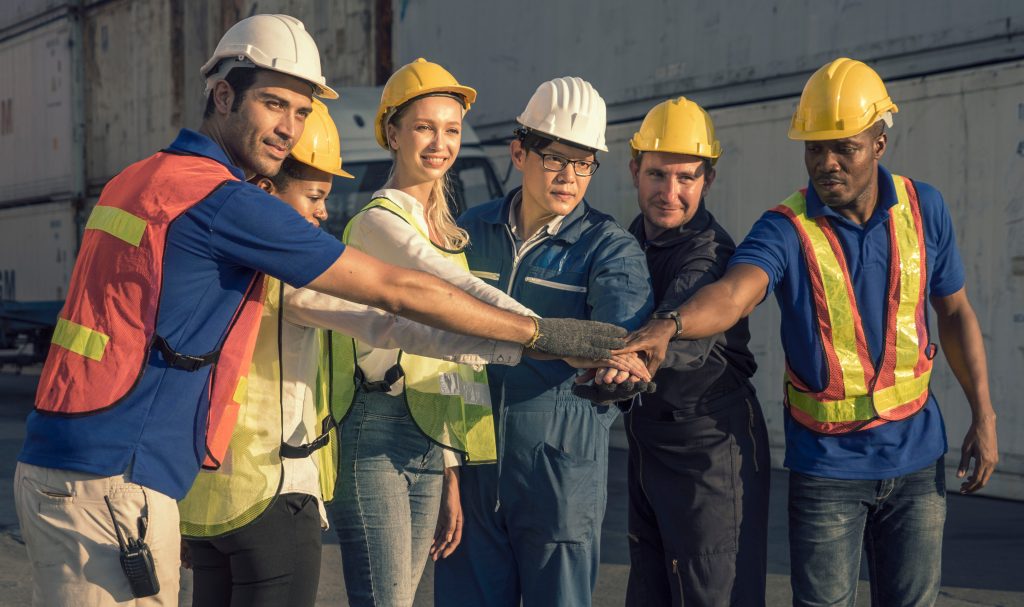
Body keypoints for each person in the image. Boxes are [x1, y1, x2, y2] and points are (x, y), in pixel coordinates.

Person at [12, 15, 628, 607]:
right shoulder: (228, 204)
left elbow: (375, 319)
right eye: (274, 104)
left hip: (73, 462)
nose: (289, 127)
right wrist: (539, 334)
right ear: (224, 96)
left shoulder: (140, 177)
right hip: (119, 476)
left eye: (302, 111)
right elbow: (397, 291)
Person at [625, 58, 999, 606]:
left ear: (879, 142)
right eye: (813, 147)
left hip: (918, 460)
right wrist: (671, 323)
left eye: (843, 147)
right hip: (828, 471)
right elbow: (733, 294)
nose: (826, 162)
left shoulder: (925, 208)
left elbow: (956, 311)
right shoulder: (785, 227)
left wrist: (983, 414)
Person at [434, 77, 654, 607]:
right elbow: (435, 343)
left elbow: (620, 344)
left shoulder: (608, 247)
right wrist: (445, 462)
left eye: (584, 164)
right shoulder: (468, 231)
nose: (570, 176)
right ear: (519, 152)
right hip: (473, 464)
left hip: (559, 472)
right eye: (556, 158)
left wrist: (616, 374)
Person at [621, 97, 770, 606]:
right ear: (634, 168)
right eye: (658, 175)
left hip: (710, 448)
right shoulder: (626, 243)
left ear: (708, 179)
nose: (670, 192)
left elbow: (671, 340)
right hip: (648, 439)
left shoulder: (709, 254)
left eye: (687, 177)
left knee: (713, 593)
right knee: (650, 589)